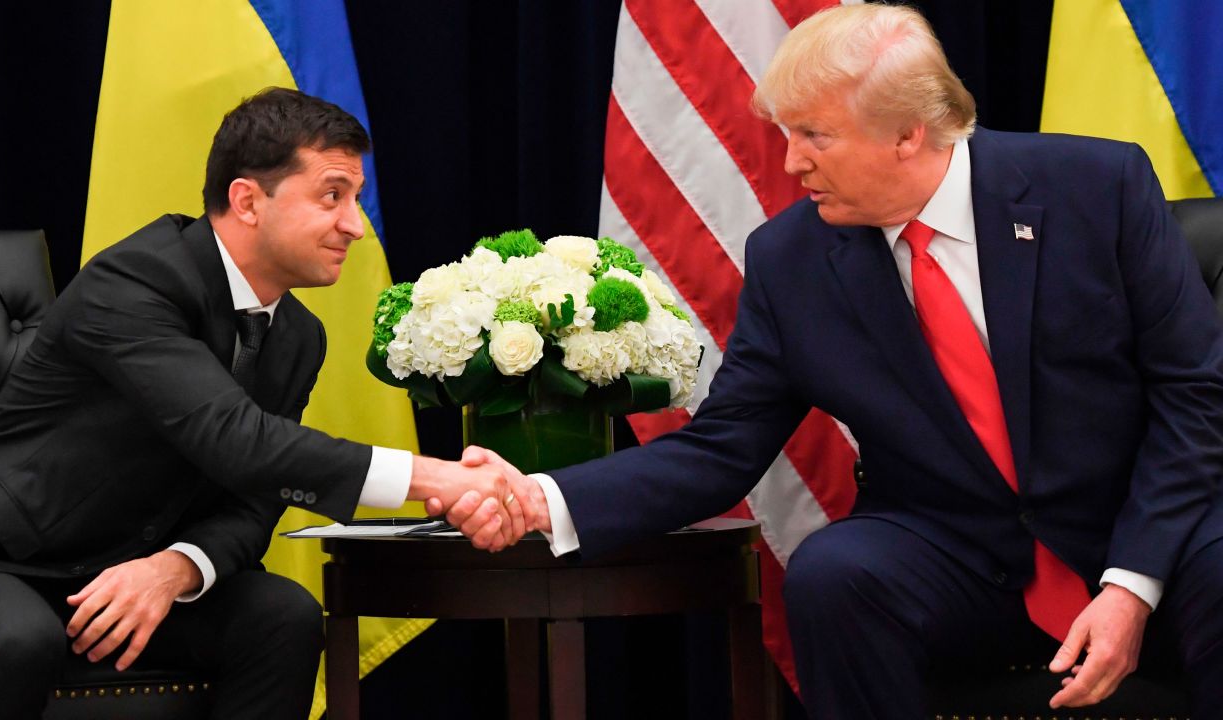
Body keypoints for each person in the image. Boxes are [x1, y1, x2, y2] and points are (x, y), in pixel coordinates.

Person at [444, 5, 1223, 717]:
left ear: (908, 133)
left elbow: (1196, 397)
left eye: (814, 136)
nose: (790, 164)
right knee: (834, 574)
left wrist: (1131, 585)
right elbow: (721, 448)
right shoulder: (792, 261)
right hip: (959, 559)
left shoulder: (1097, 189)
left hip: (1146, 538)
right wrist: (543, 497)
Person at [0, 87, 528, 720]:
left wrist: (175, 568)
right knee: (19, 639)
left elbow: (256, 499)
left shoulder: (299, 336)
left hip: (121, 578)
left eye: (356, 199)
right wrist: (435, 476)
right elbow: (232, 435)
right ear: (248, 200)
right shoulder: (135, 280)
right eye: (332, 196)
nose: (355, 226)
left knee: (283, 616)